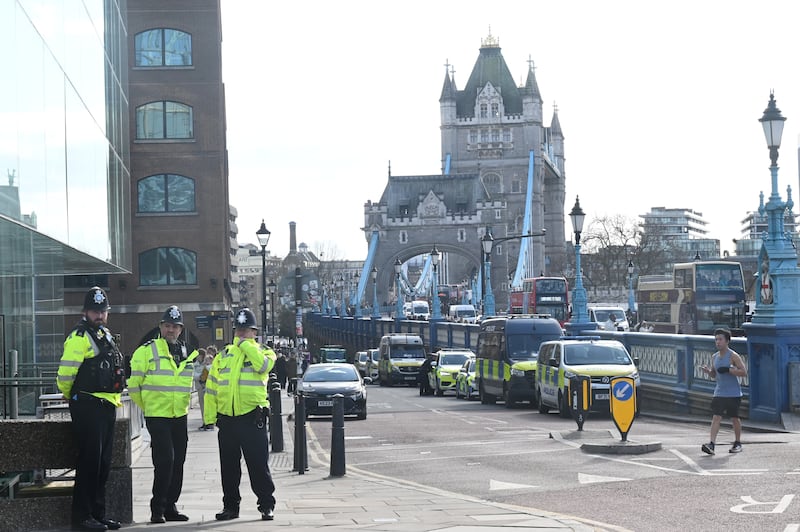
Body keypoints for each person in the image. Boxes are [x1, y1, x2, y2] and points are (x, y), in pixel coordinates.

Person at [56, 286, 125, 531]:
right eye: (95, 311)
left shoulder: (104, 334)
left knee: (103, 464)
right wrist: (70, 396)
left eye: (102, 311)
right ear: (85, 311)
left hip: (106, 405)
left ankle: (98, 513)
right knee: (89, 462)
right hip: (87, 405)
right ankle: (82, 517)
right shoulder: (79, 337)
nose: (99, 315)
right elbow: (65, 373)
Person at [204, 308, 277, 521]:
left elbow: (263, 366)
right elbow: (212, 387)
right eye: (239, 331)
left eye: (246, 331)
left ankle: (266, 505)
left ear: (255, 332)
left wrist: (246, 345)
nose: (242, 334)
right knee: (229, 468)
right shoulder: (223, 355)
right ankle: (230, 507)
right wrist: (211, 418)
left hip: (252, 417)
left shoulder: (264, 352)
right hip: (227, 420)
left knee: (258, 465)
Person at [128, 306, 199, 524]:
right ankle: (157, 508)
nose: (171, 330)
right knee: (165, 460)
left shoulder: (187, 351)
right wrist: (149, 406)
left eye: (175, 327)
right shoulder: (146, 351)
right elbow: (134, 386)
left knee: (179, 461)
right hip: (158, 416)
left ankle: (171, 506)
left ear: (180, 329)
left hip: (179, 415)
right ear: (161, 327)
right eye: (167, 325)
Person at [700, 328, 747, 455]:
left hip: (733, 393)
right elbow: (714, 375)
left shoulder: (733, 356)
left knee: (734, 418)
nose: (718, 342)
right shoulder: (714, 356)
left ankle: (737, 442)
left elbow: (743, 372)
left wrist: (730, 370)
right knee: (716, 417)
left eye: (720, 339)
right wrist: (708, 372)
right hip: (719, 392)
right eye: (716, 339)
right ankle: (712, 444)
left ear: (727, 341)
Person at [194, 346, 216, 430]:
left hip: (208, 388)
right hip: (200, 387)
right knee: (202, 406)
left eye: (199, 355)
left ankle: (210, 422)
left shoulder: (208, 364)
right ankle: (204, 422)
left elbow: (212, 372)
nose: (198, 357)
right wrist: (199, 376)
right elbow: (193, 375)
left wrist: (207, 366)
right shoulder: (195, 365)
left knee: (208, 406)